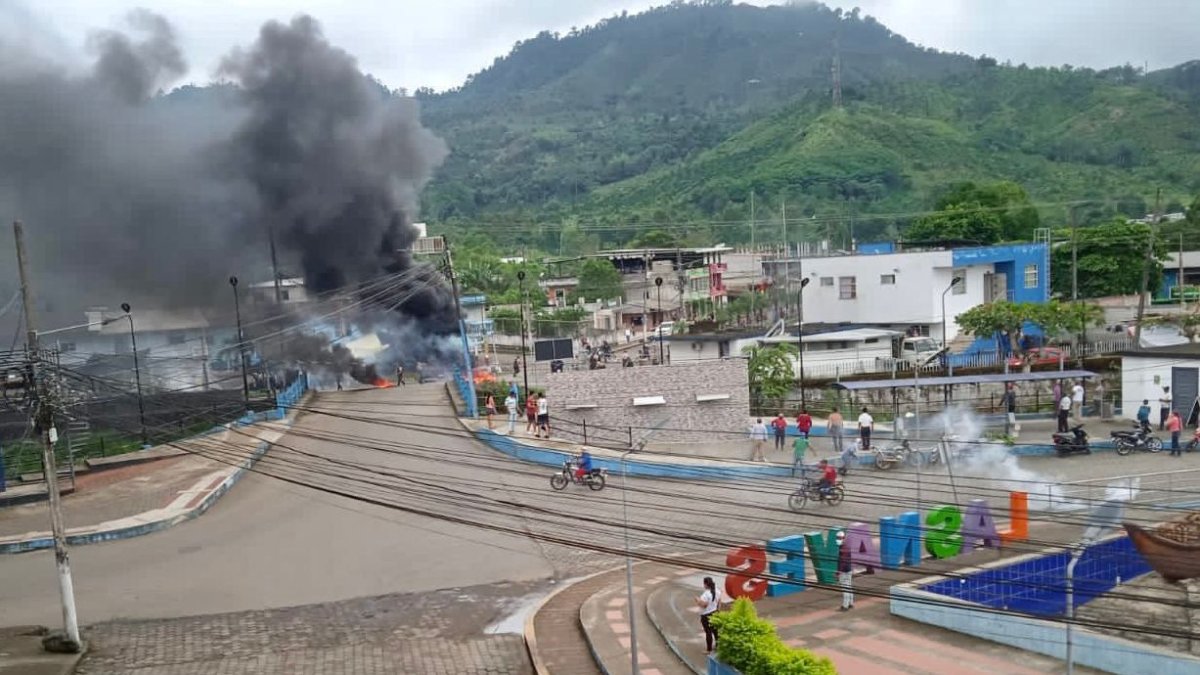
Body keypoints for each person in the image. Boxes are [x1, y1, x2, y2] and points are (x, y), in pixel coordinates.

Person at [696, 577, 720, 653]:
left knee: (708, 632)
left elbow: (704, 605)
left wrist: (697, 600)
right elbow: (719, 601)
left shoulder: (706, 594)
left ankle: (709, 649)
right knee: (716, 630)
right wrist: (718, 611)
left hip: (706, 615)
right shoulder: (717, 591)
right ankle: (718, 646)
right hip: (715, 612)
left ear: (706, 584)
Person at [837, 530, 854, 611]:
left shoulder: (843, 547)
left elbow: (842, 561)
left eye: (839, 538)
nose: (838, 539)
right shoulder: (846, 545)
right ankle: (851, 603)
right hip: (849, 569)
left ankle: (845, 606)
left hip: (844, 571)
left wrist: (838, 572)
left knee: (845, 589)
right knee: (849, 587)